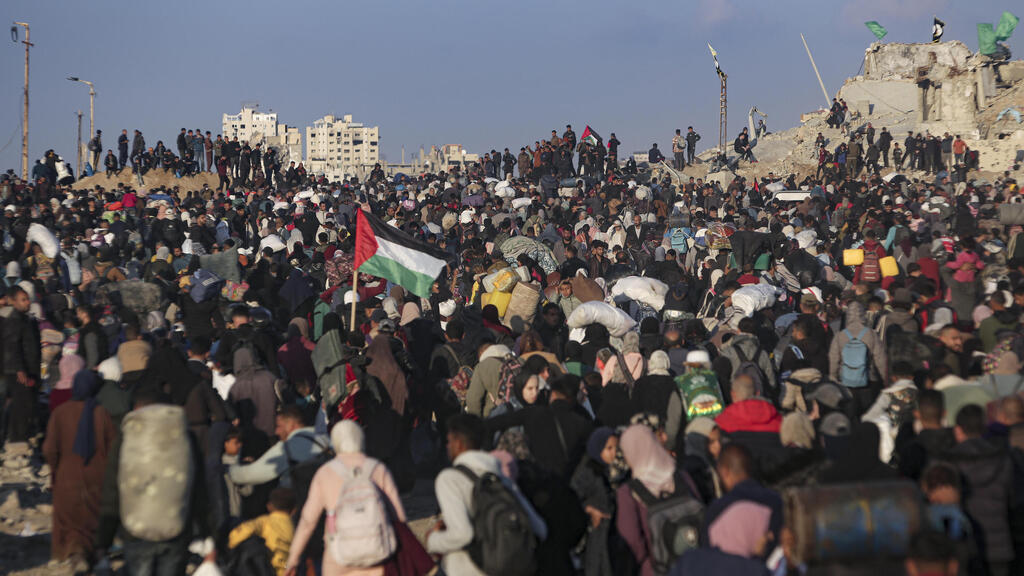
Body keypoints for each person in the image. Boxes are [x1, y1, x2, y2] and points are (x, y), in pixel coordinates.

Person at [425, 413, 546, 576]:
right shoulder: (500, 477)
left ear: (458, 443)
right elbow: (539, 528)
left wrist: (432, 540)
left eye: (449, 441)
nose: (447, 446)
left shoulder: (449, 479)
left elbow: (462, 534)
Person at [43, 370, 116, 571]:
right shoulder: (102, 413)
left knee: (69, 517)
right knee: (93, 516)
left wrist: (54, 471)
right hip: (97, 476)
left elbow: (50, 449)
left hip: (67, 475)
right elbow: (114, 448)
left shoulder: (60, 412)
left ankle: (75, 553)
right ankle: (96, 554)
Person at [229, 487, 295, 576]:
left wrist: (230, 543)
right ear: (294, 510)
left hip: (269, 569)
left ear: (269, 506)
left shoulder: (265, 521)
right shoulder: (295, 526)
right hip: (287, 570)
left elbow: (246, 529)